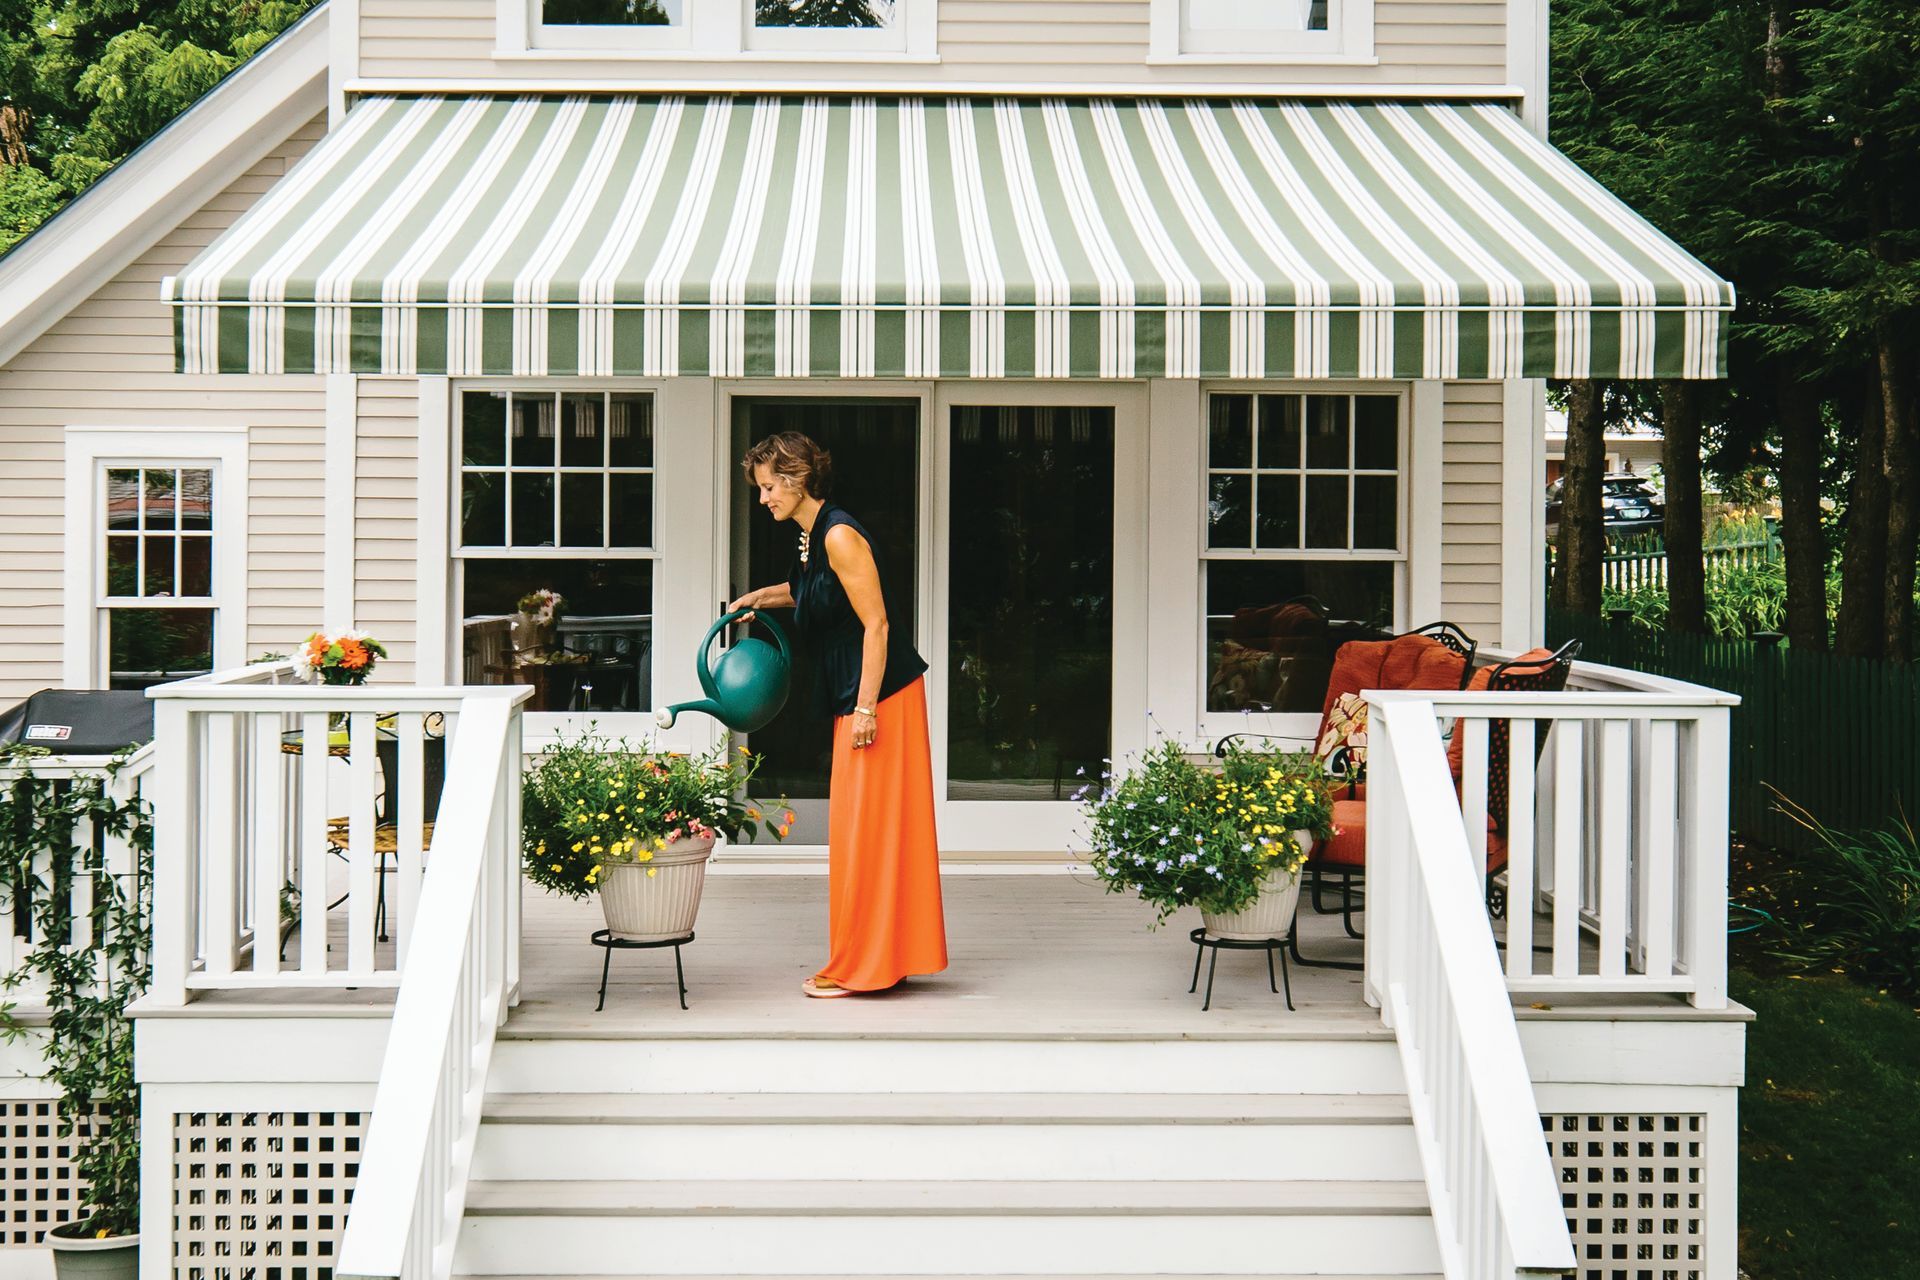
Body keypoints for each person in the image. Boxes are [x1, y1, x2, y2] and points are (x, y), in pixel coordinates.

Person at [729, 431, 948, 998]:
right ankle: (874, 956)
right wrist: (758, 598)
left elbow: (877, 624)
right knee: (862, 837)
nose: (764, 499)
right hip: (856, 697)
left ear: (798, 478)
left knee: (870, 836)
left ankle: (866, 966)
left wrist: (867, 709)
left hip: (880, 700)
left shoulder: (841, 535)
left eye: (769, 487)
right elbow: (814, 593)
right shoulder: (812, 537)